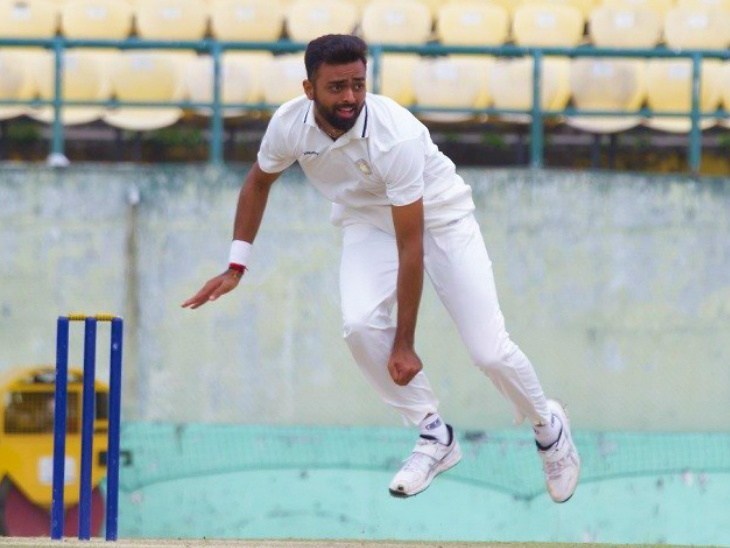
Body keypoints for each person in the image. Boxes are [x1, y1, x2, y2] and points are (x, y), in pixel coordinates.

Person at [182, 34, 580, 502]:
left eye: (357, 84)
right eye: (336, 87)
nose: (350, 97)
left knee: (489, 351)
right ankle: (434, 435)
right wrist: (236, 265)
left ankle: (548, 427)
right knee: (358, 326)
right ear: (309, 89)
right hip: (365, 221)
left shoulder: (396, 135)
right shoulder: (289, 124)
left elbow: (412, 245)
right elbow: (258, 182)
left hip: (441, 220)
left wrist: (405, 343)